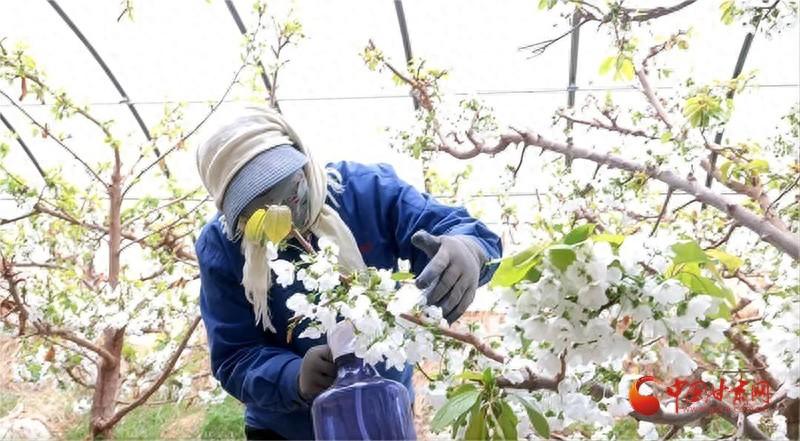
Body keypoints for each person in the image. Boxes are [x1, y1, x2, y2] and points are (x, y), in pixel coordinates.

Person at [194, 106, 502, 440]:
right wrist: (293, 376)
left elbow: (456, 228)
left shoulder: (364, 191)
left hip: (382, 413)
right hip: (287, 430)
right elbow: (235, 355)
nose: (283, 208)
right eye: (260, 204)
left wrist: (469, 249)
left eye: (285, 186)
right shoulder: (222, 247)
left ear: (301, 156)